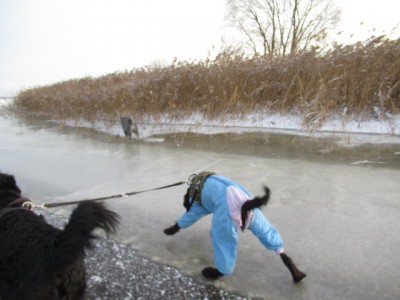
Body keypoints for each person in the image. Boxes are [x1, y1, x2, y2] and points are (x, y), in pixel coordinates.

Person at [164, 172, 306, 282]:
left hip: (228, 208)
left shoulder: (195, 197)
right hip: (245, 200)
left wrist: (176, 227)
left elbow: (193, 213)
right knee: (265, 230)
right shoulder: (206, 182)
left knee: (221, 237)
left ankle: (221, 271)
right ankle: (290, 264)